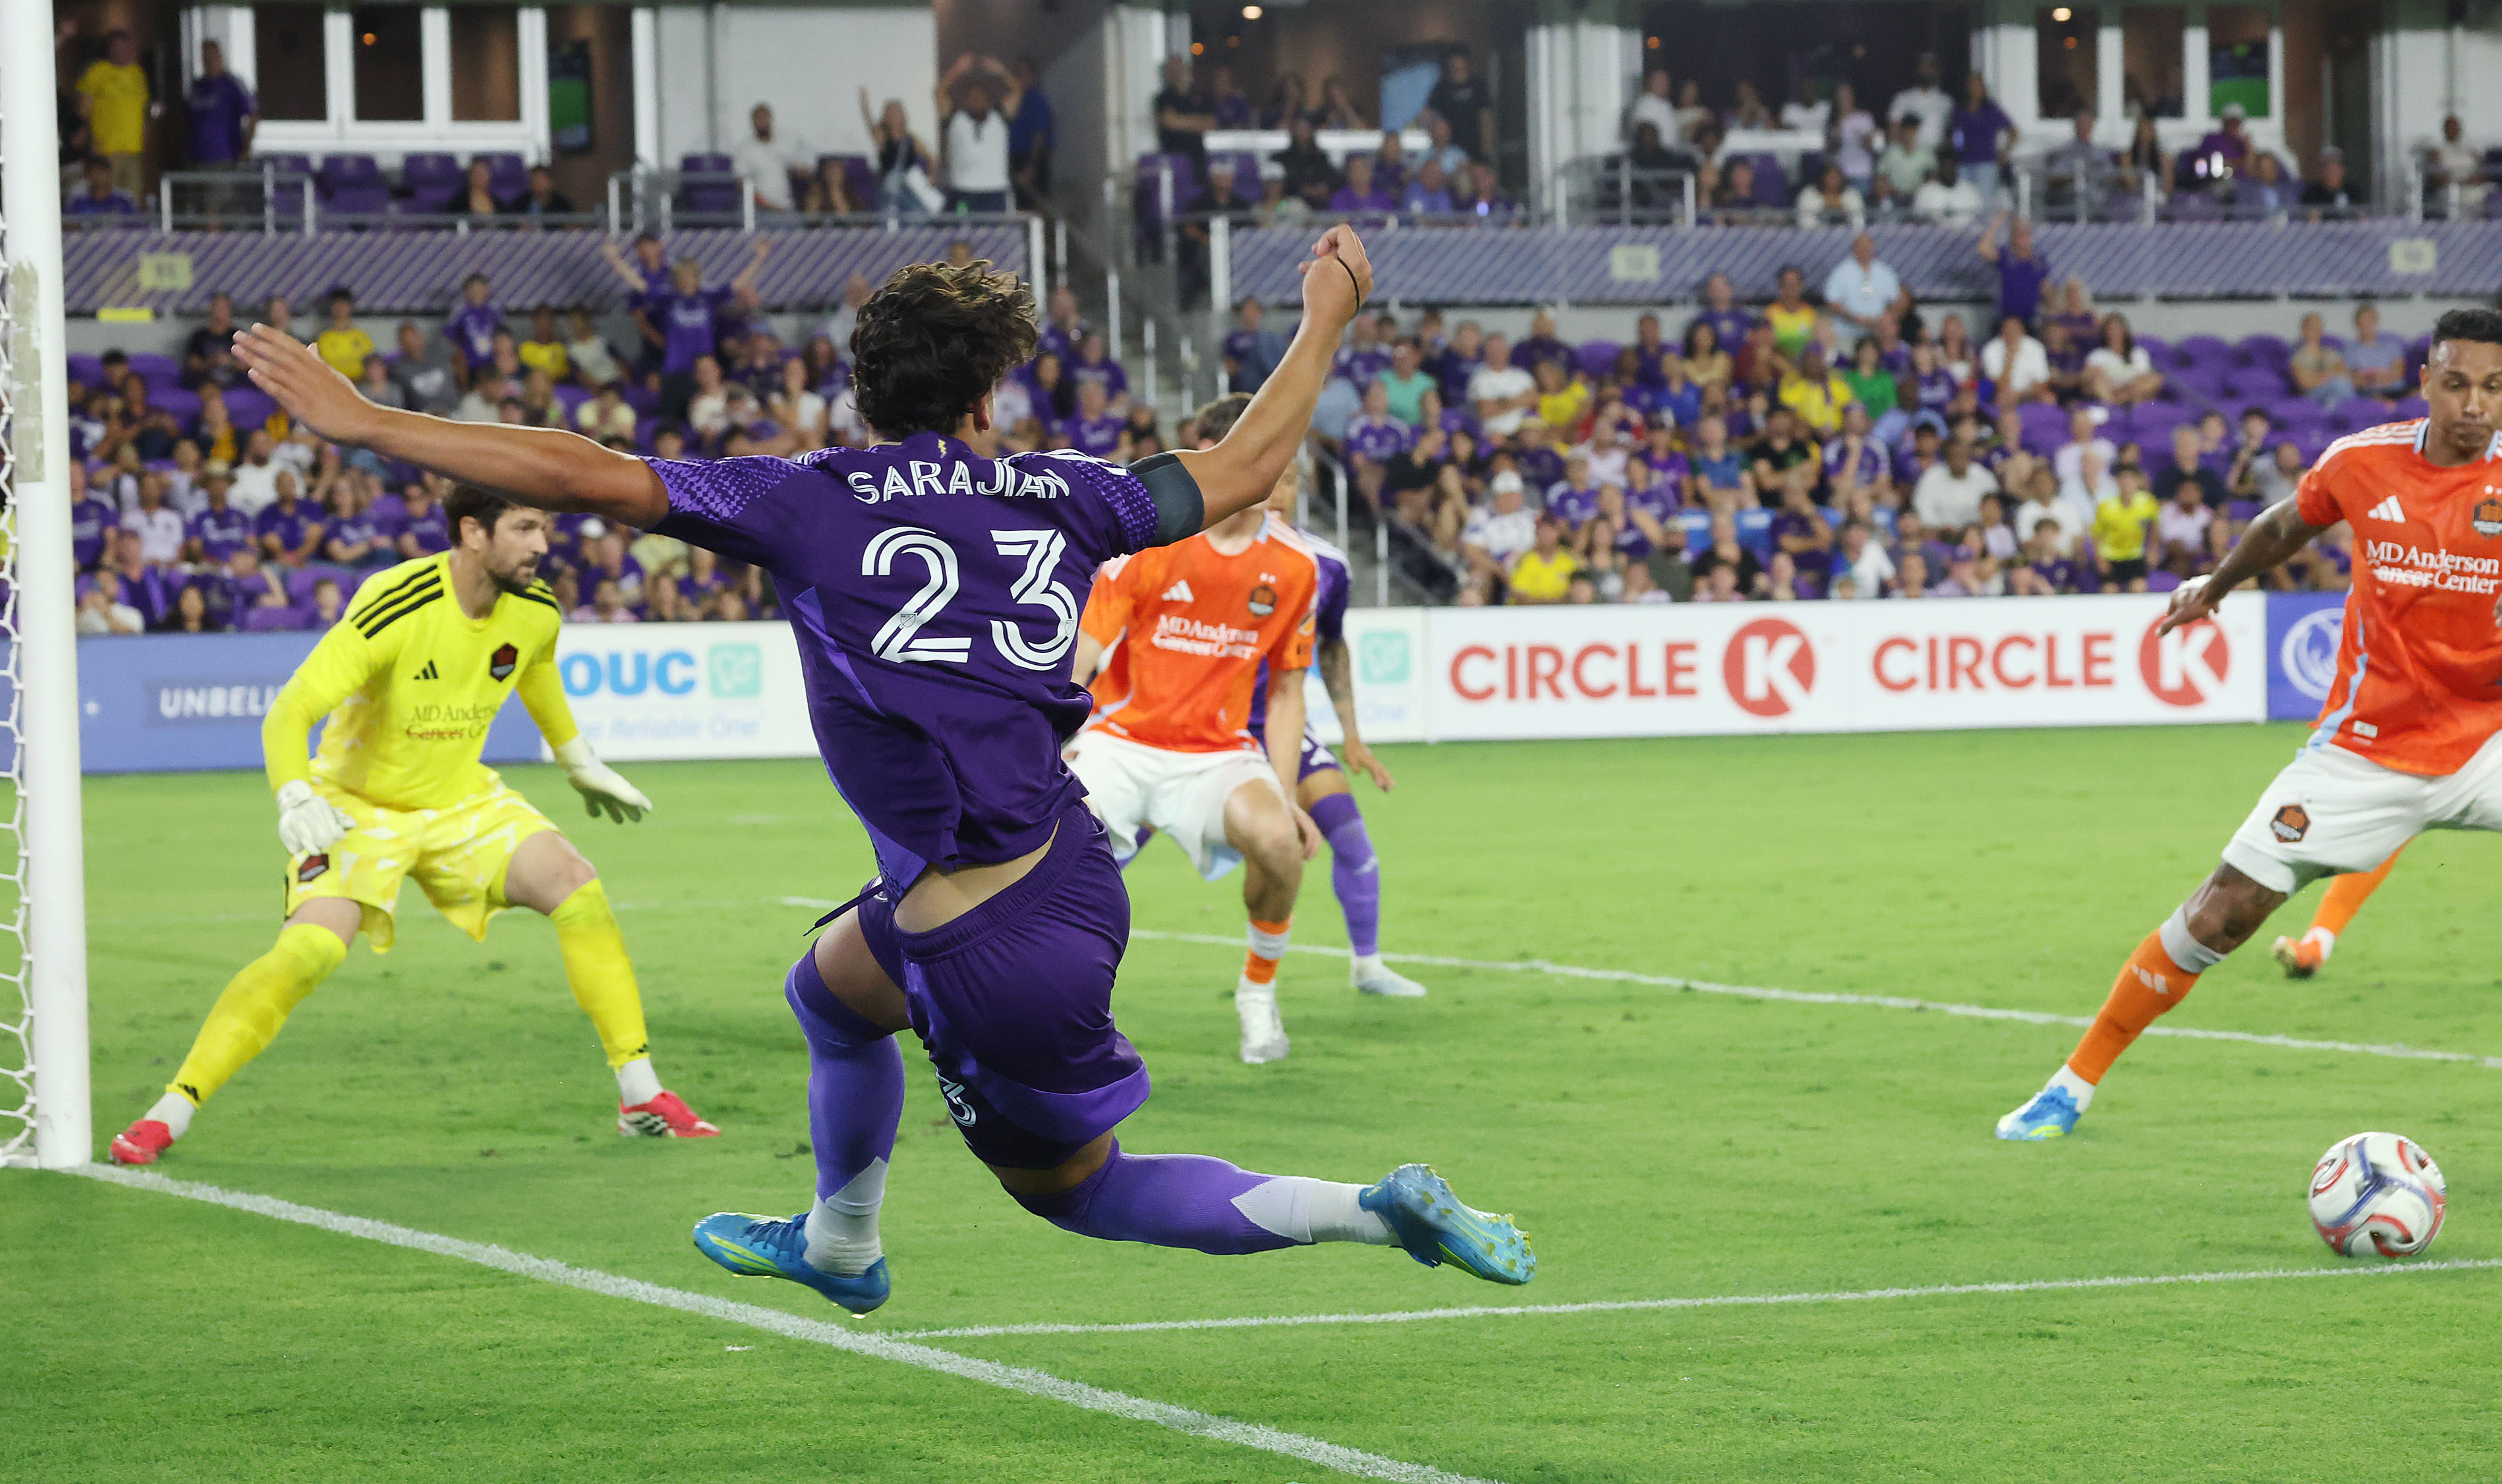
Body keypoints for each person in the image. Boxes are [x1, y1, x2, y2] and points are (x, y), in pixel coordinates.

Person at [231, 225, 1532, 1307]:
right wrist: (1324, 308)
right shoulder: (1068, 494)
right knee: (832, 991)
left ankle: (1370, 1213)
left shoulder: (801, 498)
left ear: (861, 393)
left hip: (988, 930)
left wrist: (364, 421)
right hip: (1055, 862)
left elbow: (579, 472)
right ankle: (840, 1244)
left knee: (1081, 1192)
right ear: (983, 400)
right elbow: (1247, 462)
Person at [1998, 308, 2502, 1140]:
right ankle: (2069, 1085)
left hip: (2485, 736)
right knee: (2220, 912)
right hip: (2361, 752)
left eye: (2491, 387)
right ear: (2425, 383)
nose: (2475, 405)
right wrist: (2213, 586)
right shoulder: (2361, 462)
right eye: (2457, 384)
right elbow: (2281, 525)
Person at [107, 482, 714, 1165]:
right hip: (357, 806)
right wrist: (294, 794)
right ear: (472, 533)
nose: (541, 545)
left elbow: (534, 668)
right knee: (308, 952)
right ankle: (171, 1109)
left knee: (576, 884)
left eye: (542, 528)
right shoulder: (398, 603)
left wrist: (578, 759)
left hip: (461, 801)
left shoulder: (536, 610)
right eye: (523, 527)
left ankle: (640, 1095)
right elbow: (289, 710)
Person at [936, 55, 1020, 214]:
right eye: (972, 97)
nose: (976, 100)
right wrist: (957, 70)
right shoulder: (956, 118)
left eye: (981, 97)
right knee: (962, 235)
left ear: (988, 100)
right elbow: (939, 92)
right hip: (963, 191)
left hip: (995, 191)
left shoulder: (999, 117)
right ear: (966, 100)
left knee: (995, 236)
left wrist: (1000, 71)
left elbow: (1017, 90)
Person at [76, 29, 151, 200]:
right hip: (106, 149)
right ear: (109, 49)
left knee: (132, 197)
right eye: (116, 48)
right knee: (106, 196)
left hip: (133, 149)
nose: (120, 52)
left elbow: (143, 110)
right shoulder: (97, 72)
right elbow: (83, 109)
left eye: (123, 48)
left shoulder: (137, 74)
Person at [185, 39, 258, 177]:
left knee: (217, 198)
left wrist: (246, 148)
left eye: (211, 54)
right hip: (197, 158)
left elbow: (253, 114)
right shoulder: (198, 86)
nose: (208, 59)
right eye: (204, 55)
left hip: (224, 159)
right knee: (196, 198)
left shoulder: (233, 84)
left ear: (219, 55)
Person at [1948, 71, 2013, 209]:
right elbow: (1955, 135)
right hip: (1963, 162)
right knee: (1963, 201)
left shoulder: (1990, 110)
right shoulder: (1959, 111)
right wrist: (1955, 151)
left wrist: (2005, 152)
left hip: (1986, 163)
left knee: (1986, 201)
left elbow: (2013, 132)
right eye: (1972, 85)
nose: (1975, 89)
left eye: (1978, 85)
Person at [731, 103, 810, 213]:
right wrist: (766, 205)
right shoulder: (745, 149)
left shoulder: (785, 144)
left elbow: (803, 169)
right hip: (758, 209)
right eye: (758, 118)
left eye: (765, 117)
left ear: (771, 119)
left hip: (785, 206)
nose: (762, 121)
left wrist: (800, 171)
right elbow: (742, 183)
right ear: (752, 121)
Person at [1977, 214, 2049, 328]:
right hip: (2005, 320)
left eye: (2027, 233)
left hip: (2030, 321)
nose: (2024, 237)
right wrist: (1997, 224)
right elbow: (1983, 249)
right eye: (2020, 233)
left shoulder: (2039, 261)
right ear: (2013, 237)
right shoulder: (2006, 256)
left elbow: (2046, 290)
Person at [1427, 52, 1494, 163]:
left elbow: (1486, 116)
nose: (1457, 67)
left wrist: (1487, 145)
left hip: (1475, 146)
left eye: (1460, 64)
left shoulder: (1478, 86)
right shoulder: (1441, 88)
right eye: (1454, 64)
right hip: (1450, 149)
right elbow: (1432, 116)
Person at [1007, 57, 1055, 209]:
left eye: (1023, 73)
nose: (1019, 78)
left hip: (1030, 158)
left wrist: (1031, 166)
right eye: (1017, 74)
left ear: (1033, 76)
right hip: (1017, 158)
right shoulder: (1017, 100)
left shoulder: (1034, 99)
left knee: (1032, 205)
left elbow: (1039, 134)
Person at [1152, 57, 1216, 169]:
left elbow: (1210, 124)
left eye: (1179, 68)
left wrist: (1180, 120)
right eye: (1172, 70)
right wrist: (1197, 122)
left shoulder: (1202, 96)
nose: (1177, 73)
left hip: (1199, 156)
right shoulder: (1163, 98)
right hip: (1172, 157)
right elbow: (1169, 122)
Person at [1889, 53, 1954, 152]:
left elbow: (1951, 133)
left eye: (1930, 67)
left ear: (1937, 71)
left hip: (1936, 158)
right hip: (1908, 158)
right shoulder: (1903, 98)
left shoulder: (1946, 101)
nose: (1926, 71)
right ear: (1917, 70)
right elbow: (1893, 130)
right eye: (1923, 67)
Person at [315, 288, 374, 381]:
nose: (339, 308)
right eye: (336, 304)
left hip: (361, 385)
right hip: (333, 385)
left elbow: (371, 365)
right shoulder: (324, 339)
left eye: (343, 304)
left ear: (351, 307)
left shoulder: (362, 336)